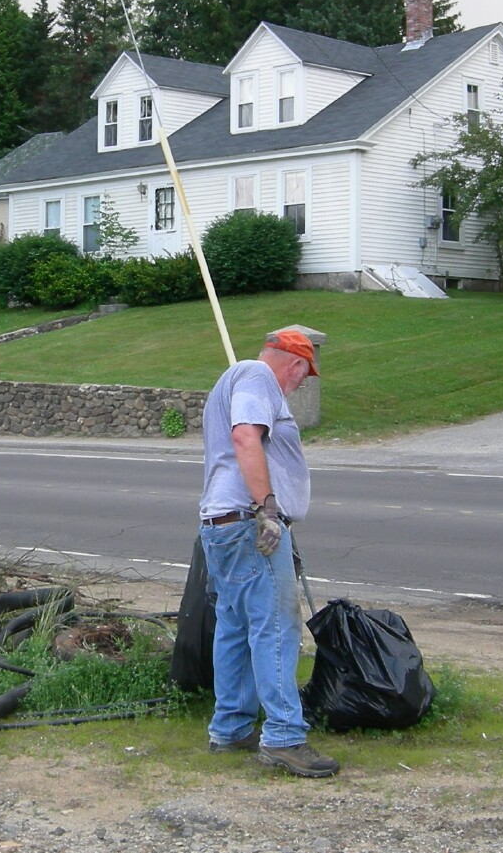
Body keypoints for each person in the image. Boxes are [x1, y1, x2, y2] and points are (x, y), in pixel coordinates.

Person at [198, 330, 339, 778]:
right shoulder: (259, 376)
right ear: (296, 364)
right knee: (276, 628)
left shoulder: (237, 378)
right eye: (304, 374)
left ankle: (231, 727)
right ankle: (283, 737)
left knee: (236, 627)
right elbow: (245, 438)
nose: (300, 384)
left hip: (224, 524)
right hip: (249, 523)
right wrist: (268, 510)